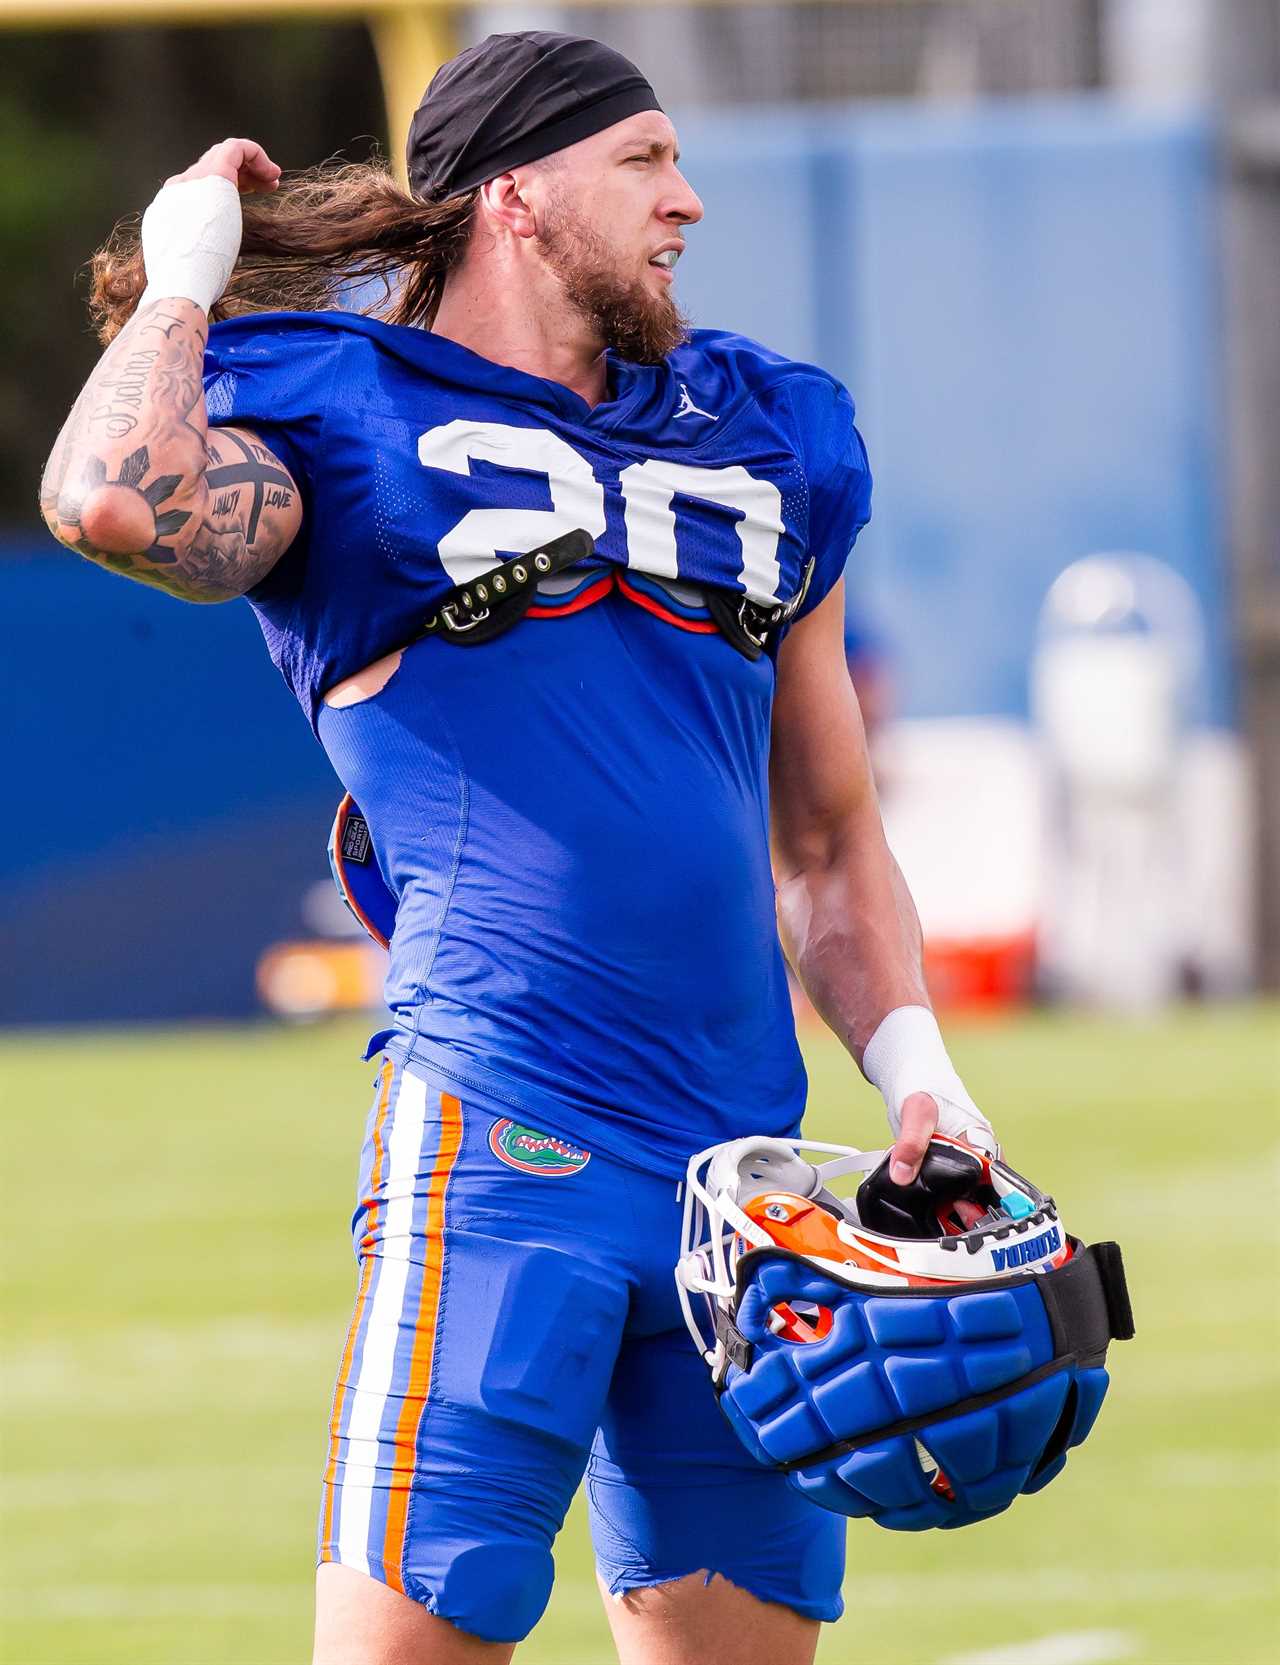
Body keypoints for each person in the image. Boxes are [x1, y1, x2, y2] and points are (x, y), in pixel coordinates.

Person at [41, 32, 997, 1665]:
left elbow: (829, 840)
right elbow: (113, 501)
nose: (687, 202)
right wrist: (186, 277)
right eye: (644, 163)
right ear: (518, 196)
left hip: (742, 1178)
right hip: (503, 1140)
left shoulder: (766, 435)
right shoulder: (348, 413)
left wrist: (924, 1077)